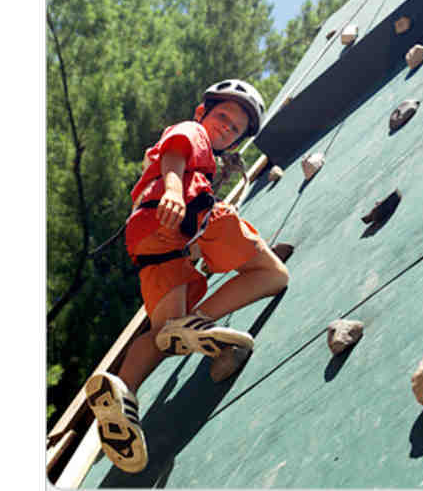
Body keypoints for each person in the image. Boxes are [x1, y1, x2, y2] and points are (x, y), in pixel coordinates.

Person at [84, 79, 290, 473]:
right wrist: (174, 190)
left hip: (153, 241)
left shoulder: (207, 162)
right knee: (272, 274)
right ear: (202, 113)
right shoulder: (192, 133)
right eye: (222, 116)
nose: (225, 127)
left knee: (164, 336)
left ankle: (121, 396)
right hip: (181, 217)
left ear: (239, 140)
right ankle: (198, 323)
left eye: (235, 128)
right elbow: (176, 150)